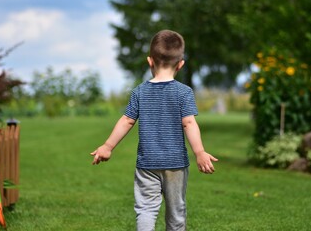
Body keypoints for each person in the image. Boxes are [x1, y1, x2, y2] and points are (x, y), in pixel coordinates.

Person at [90, 29, 218, 231]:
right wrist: (199, 152)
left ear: (150, 61)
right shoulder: (184, 92)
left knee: (146, 209)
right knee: (176, 213)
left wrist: (108, 146)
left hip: (147, 163)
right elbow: (189, 123)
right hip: (176, 164)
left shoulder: (139, 91)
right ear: (180, 64)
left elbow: (127, 121)